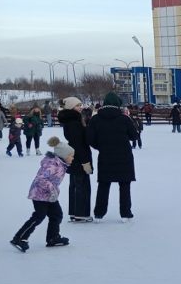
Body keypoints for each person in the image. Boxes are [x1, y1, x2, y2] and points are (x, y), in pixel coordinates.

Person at [9, 137, 74, 253]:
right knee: (39, 216)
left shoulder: (61, 164)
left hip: (49, 195)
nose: (73, 158)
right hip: (40, 194)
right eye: (71, 156)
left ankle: (53, 238)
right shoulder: (52, 164)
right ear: (64, 155)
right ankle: (19, 238)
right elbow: (41, 179)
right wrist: (52, 189)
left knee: (56, 215)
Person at [88, 92, 137, 222]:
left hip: (105, 156)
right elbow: (134, 136)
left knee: (104, 185)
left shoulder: (95, 119)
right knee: (124, 185)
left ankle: (99, 213)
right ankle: (125, 213)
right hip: (124, 157)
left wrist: (101, 147)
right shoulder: (124, 119)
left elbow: (90, 139)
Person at [58, 98, 93, 223]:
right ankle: (81, 214)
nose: (80, 107)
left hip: (73, 157)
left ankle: (74, 212)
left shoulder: (73, 120)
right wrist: (85, 162)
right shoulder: (74, 122)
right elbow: (78, 144)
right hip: (79, 157)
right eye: (78, 105)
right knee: (82, 185)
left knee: (74, 185)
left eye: (80, 104)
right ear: (71, 107)